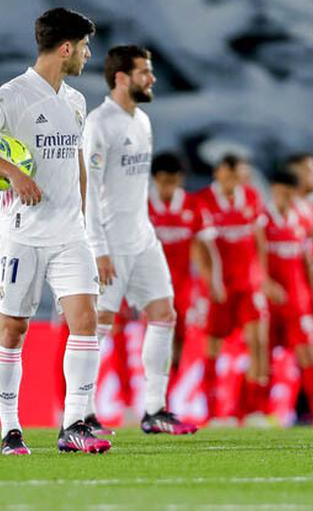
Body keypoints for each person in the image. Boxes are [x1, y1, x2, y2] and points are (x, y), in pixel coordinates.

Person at [0, 7, 110, 455]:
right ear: (65, 48)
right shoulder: (13, 94)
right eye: (83, 47)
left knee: (86, 321)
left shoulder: (76, 101)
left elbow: (75, 160)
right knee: (14, 328)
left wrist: (81, 217)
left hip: (69, 235)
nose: (87, 54)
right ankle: (10, 430)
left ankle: (74, 425)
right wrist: (14, 175)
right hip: (22, 233)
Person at [83, 45, 197, 435]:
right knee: (96, 326)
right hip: (110, 240)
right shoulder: (99, 124)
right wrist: (97, 249)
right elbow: (89, 192)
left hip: (142, 236)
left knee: (164, 313)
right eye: (145, 72)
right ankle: (82, 412)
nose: (152, 79)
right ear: (121, 78)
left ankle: (155, 410)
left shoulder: (143, 121)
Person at [193, 153, 277, 424]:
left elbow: (259, 238)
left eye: (243, 176)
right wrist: (208, 280)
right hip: (219, 286)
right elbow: (199, 247)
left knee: (259, 343)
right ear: (220, 172)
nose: (239, 181)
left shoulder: (251, 197)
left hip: (248, 284)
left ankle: (254, 411)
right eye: (234, 175)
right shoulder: (203, 200)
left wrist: (262, 275)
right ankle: (214, 413)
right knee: (214, 347)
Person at [263, 169, 313, 426]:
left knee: (309, 355)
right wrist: (265, 284)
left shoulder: (301, 219)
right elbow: (256, 260)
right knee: (264, 355)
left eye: (289, 192)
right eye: (281, 191)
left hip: (297, 299)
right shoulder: (261, 219)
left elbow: (307, 263)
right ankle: (258, 411)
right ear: (272, 189)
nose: (285, 197)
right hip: (269, 301)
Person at [148, 152, 200, 404]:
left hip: (182, 284)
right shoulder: (143, 204)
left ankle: (166, 392)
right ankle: (148, 396)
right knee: (154, 333)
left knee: (179, 337)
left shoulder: (191, 205)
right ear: (155, 179)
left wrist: (210, 281)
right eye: (164, 181)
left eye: (174, 180)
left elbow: (201, 247)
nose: (169, 187)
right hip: (150, 284)